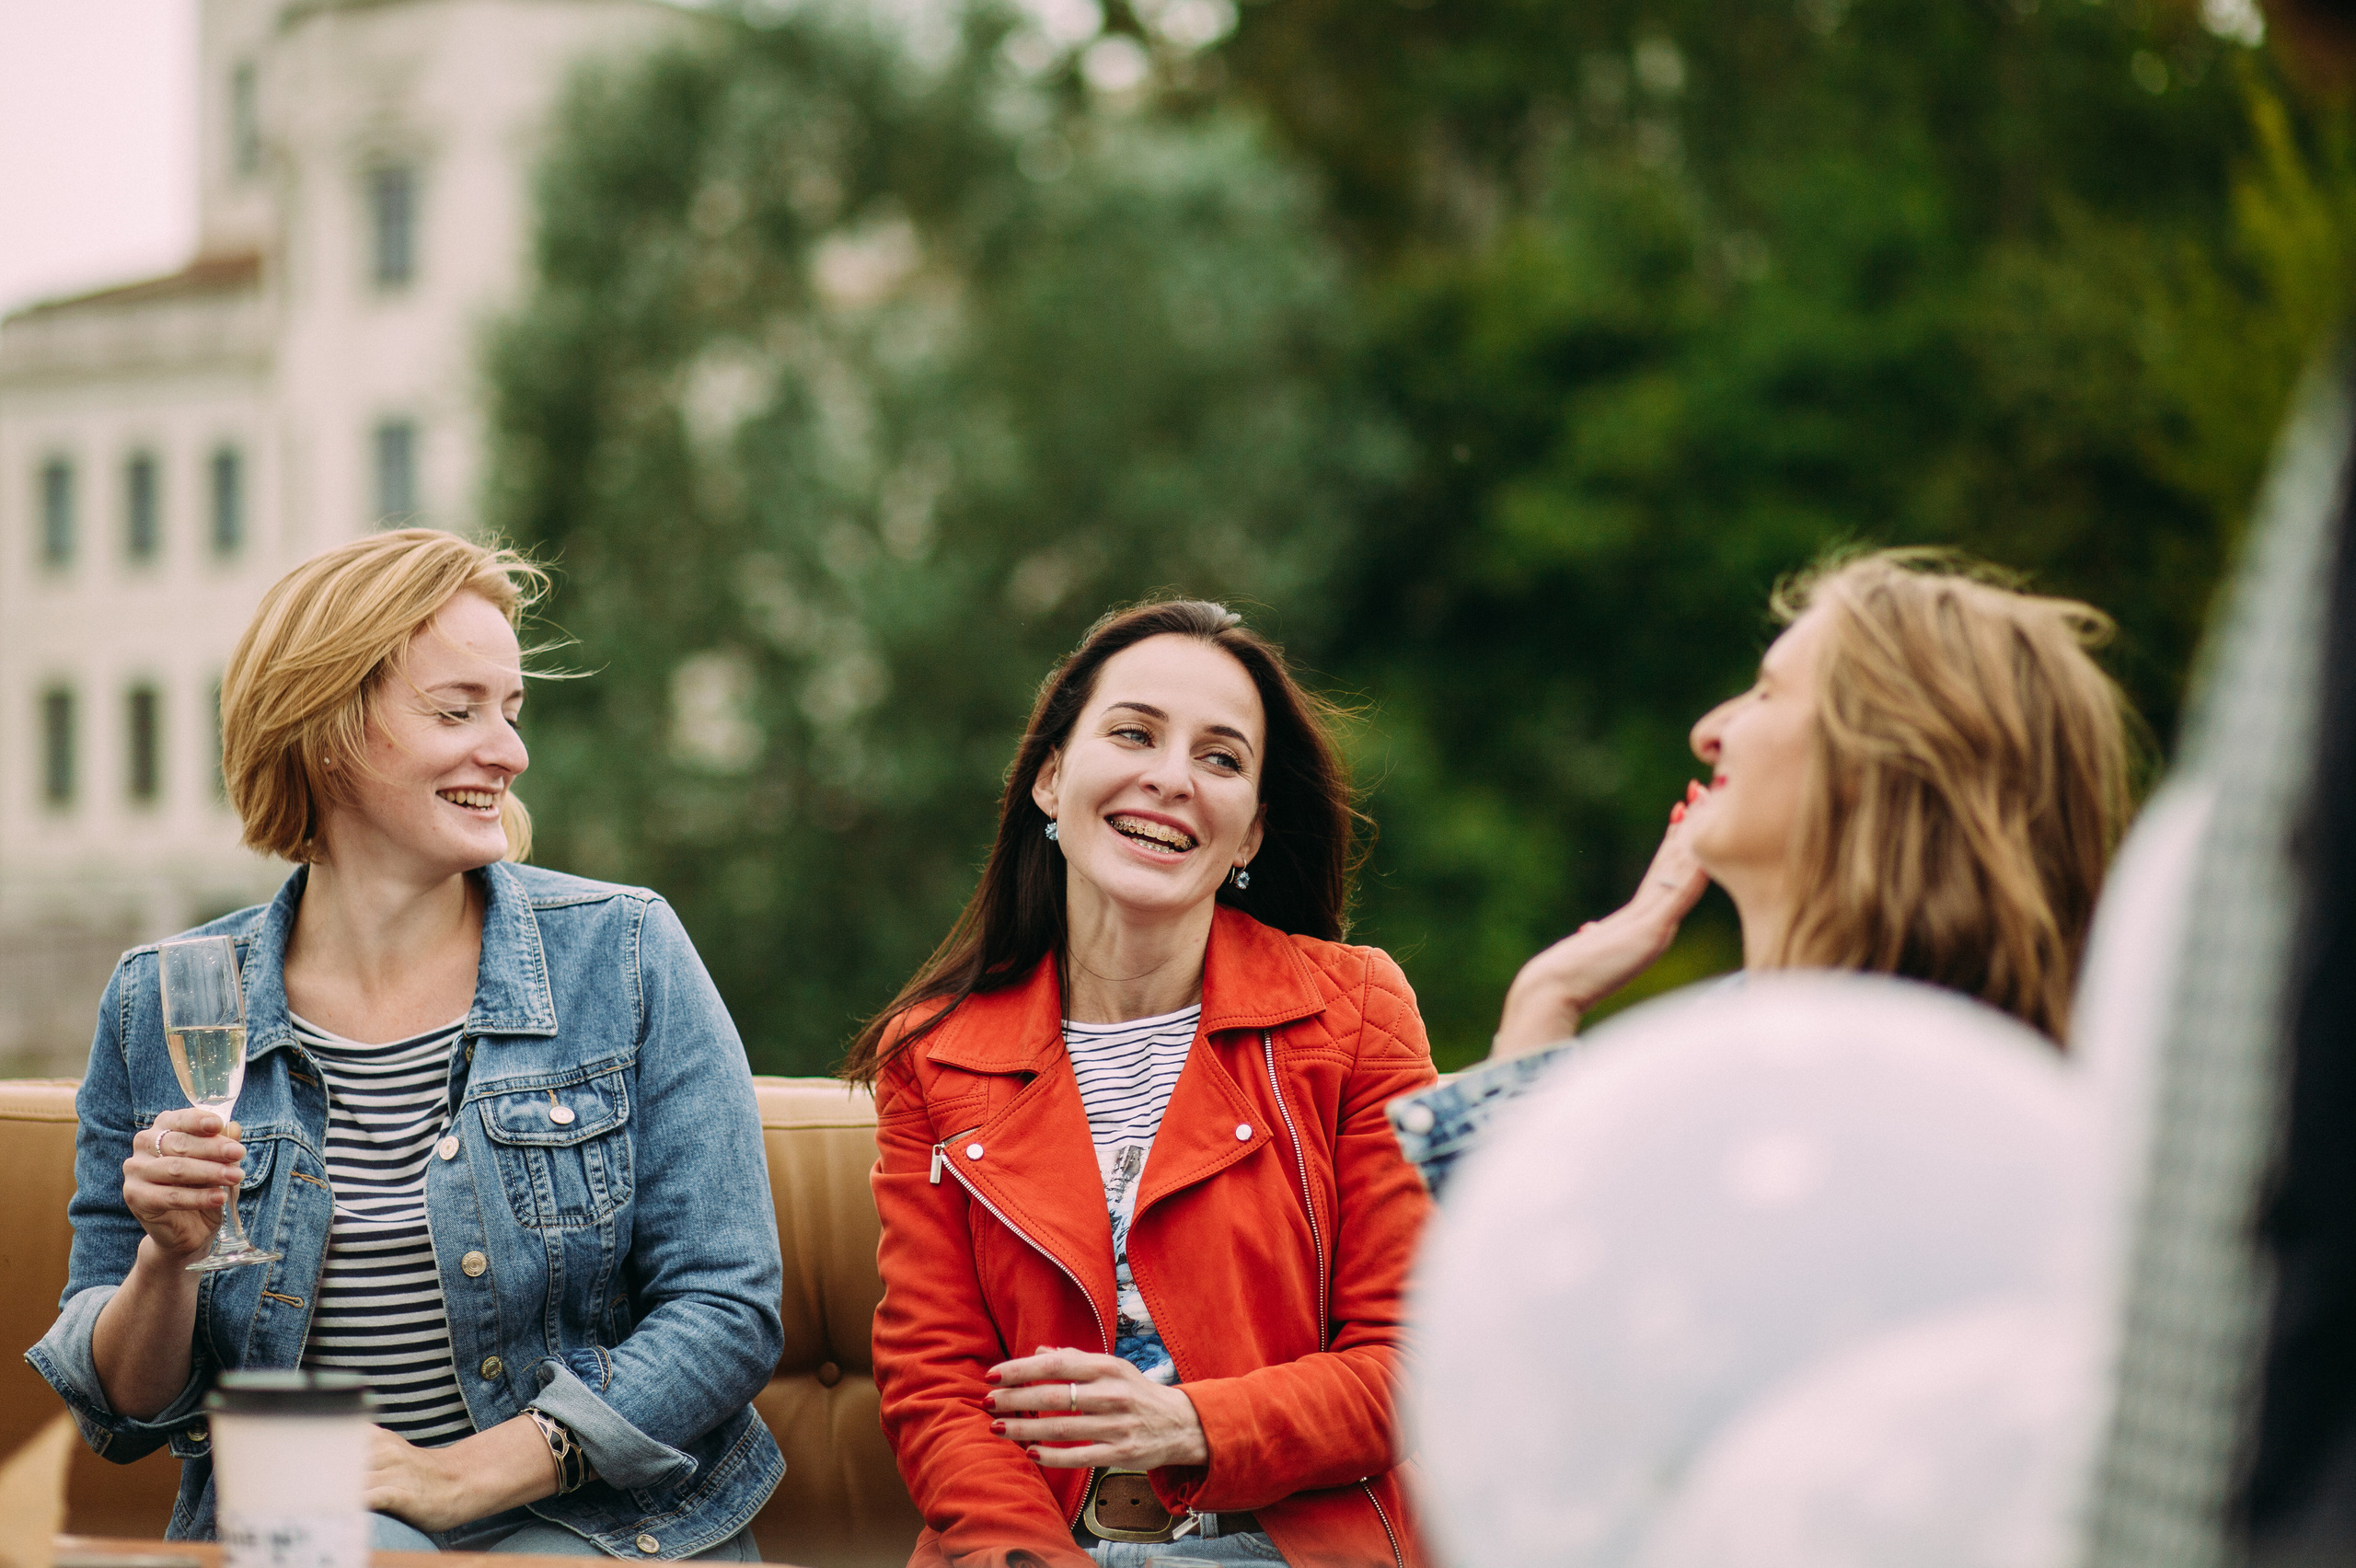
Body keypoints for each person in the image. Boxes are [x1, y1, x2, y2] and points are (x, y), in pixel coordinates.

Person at [28, 530, 784, 1557]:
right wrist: (170, 1257)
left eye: (511, 712)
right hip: (322, 1528)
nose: (510, 752)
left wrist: (462, 1476)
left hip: (601, 1523)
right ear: (328, 726)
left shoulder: (624, 950)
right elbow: (117, 1410)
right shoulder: (158, 1002)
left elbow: (726, 1307)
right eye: (457, 710)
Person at [848, 599, 1438, 1568]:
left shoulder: (1355, 1012)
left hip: (1279, 1546)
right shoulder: (933, 1057)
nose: (1169, 779)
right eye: (1132, 734)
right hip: (1036, 1549)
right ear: (1049, 778)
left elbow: (1409, 1365)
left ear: (1248, 834)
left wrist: (1185, 1424)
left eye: (1220, 758)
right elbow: (938, 1394)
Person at [1392, 548, 2134, 1196]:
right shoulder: (1716, 1074)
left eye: (1768, 692)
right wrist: (1546, 999)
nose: (1709, 732)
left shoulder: (1885, 1131)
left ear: (1870, 762)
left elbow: (1545, 1315)